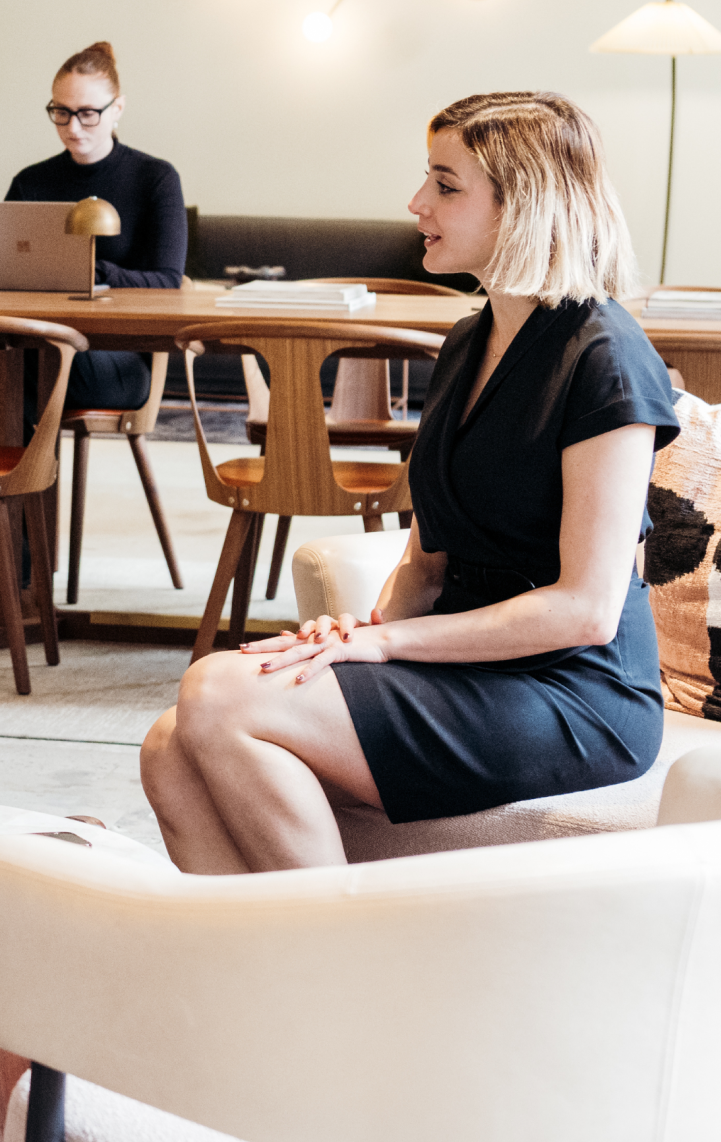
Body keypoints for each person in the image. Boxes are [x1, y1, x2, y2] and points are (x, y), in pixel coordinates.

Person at [138, 91, 676, 873]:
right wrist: (352, 636)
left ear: (523, 206)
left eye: (446, 186)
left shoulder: (606, 359)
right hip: (464, 664)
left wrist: (385, 643)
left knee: (217, 693)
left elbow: (586, 611)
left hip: (573, 692)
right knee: (169, 745)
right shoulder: (468, 342)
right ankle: (268, 951)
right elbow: (425, 564)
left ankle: (349, 941)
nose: (417, 202)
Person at [0, 41, 185, 603]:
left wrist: (96, 274)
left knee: (10, 375)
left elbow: (169, 280)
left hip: (116, 364)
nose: (73, 127)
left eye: (87, 113)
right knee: (16, 374)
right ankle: (20, 573)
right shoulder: (33, 181)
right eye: (60, 112)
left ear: (117, 109)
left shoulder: (154, 178)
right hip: (36, 354)